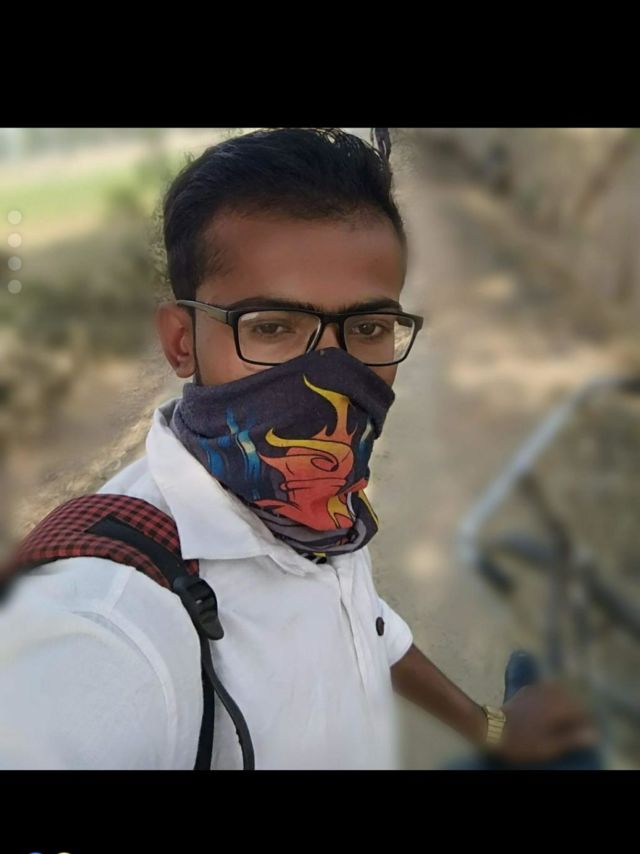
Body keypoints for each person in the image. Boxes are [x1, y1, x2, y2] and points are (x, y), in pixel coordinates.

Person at [0, 128, 597, 769]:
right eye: (273, 327)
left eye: (369, 327)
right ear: (181, 342)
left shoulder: (318, 504)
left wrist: (491, 728)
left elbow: (358, 616)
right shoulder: (107, 624)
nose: (332, 380)